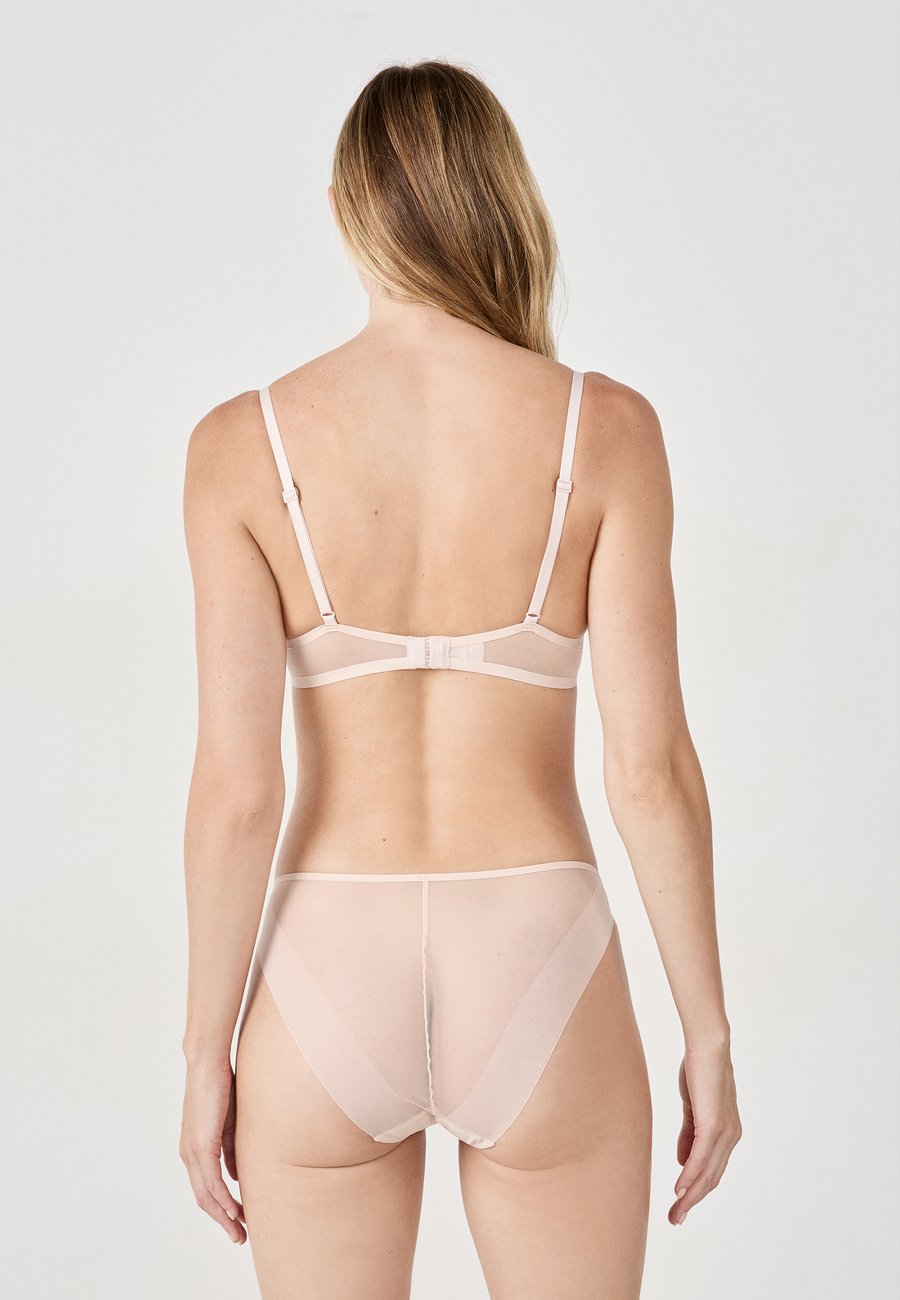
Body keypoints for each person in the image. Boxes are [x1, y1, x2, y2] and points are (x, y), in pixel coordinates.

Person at [179, 58, 741, 1300]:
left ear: (347, 210)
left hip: (325, 962)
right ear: (501, 195)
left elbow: (236, 793)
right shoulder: (607, 429)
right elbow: (649, 771)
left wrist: (205, 1050)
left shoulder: (240, 447)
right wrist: (707, 1025)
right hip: (539, 954)